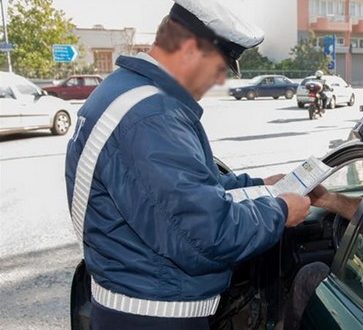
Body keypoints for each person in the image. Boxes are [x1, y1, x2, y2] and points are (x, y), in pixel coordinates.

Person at [64, 1, 310, 329]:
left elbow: (189, 192)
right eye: (221, 67)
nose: (219, 80)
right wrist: (280, 211)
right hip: (154, 317)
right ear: (192, 49)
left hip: (133, 306)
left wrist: (261, 185)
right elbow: (207, 234)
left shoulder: (124, 90)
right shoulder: (152, 117)